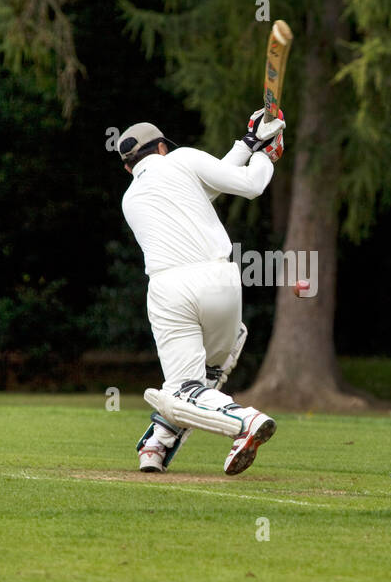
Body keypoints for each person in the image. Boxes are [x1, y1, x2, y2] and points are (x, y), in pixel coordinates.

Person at [120, 109, 284, 475]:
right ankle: (157, 443)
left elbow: (205, 188)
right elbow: (245, 185)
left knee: (182, 389)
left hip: (170, 289)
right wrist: (262, 152)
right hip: (221, 280)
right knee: (209, 371)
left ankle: (244, 421)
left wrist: (249, 145)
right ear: (162, 147)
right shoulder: (183, 159)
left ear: (128, 168)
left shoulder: (130, 200)